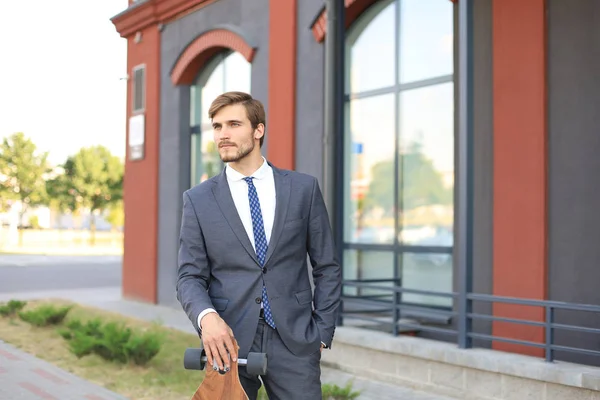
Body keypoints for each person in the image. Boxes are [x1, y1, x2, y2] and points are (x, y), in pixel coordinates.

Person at [176, 91, 342, 399]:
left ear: (258, 130)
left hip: (295, 338)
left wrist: (322, 330)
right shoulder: (198, 200)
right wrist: (207, 319)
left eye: (234, 124)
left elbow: (327, 266)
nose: (223, 134)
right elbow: (189, 277)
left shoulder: (302, 189)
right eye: (216, 126)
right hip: (228, 339)